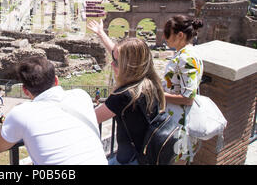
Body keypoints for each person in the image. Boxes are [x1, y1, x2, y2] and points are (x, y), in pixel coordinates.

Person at [0, 56, 108, 165]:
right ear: (56, 80)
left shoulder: (21, 113)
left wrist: (7, 120)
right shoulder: (82, 96)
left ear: (25, 91)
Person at [87, 19, 166, 165]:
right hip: (147, 154)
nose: (112, 63)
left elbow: (91, 118)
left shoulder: (124, 96)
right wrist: (101, 33)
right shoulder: (149, 82)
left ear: (128, 66)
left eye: (116, 61)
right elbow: (117, 52)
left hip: (131, 160)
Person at [163, 15, 204, 165]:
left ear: (180, 35)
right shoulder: (187, 54)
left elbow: (188, 97)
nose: (165, 37)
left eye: (168, 33)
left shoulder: (187, 58)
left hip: (180, 127)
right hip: (176, 121)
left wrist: (160, 94)